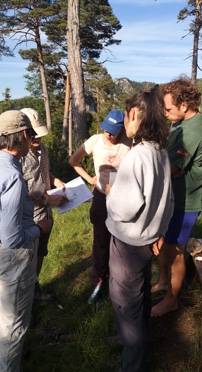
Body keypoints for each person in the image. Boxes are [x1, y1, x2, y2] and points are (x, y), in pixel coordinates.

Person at [0, 110, 54, 372]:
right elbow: (13, 237)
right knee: (14, 324)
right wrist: (40, 228)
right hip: (12, 256)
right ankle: (5, 366)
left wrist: (24, 200)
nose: (32, 139)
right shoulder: (11, 177)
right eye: (30, 134)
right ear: (21, 136)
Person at [106, 88, 174, 372]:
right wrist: (160, 231)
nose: (124, 122)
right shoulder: (160, 151)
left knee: (125, 301)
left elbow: (123, 209)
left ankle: (132, 359)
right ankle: (135, 337)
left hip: (128, 243)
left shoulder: (136, 156)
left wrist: (110, 193)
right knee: (141, 296)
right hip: (148, 241)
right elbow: (168, 199)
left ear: (134, 115)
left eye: (125, 115)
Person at [151, 76, 202, 317]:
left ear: (184, 105)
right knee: (164, 243)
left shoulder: (194, 130)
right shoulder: (180, 122)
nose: (165, 114)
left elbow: (174, 169)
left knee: (176, 251)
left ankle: (172, 299)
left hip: (184, 202)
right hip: (171, 198)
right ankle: (164, 282)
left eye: (168, 109)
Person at [69, 109, 133, 304]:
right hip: (101, 196)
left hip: (123, 196)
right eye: (106, 129)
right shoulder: (95, 141)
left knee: (122, 240)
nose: (108, 134)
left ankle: (120, 280)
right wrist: (90, 178)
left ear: (122, 129)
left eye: (113, 131)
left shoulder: (129, 142)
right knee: (100, 240)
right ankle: (99, 281)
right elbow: (74, 160)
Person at [19, 108, 68, 302]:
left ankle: (34, 287)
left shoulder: (42, 149)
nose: (38, 138)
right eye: (34, 134)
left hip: (45, 213)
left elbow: (44, 173)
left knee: (41, 252)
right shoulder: (19, 157)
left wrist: (56, 181)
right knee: (26, 257)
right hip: (28, 216)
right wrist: (49, 199)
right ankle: (23, 299)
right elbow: (21, 193)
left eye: (40, 133)